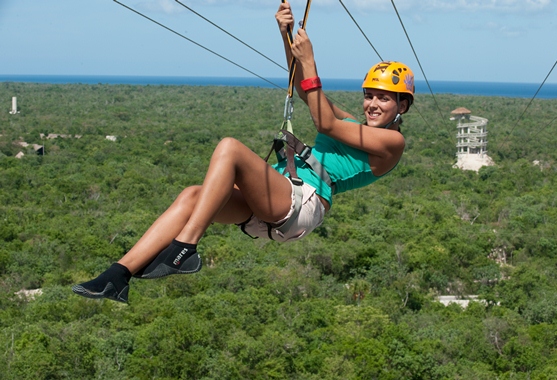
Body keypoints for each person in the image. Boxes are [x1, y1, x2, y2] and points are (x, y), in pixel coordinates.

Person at [72, 2, 414, 303]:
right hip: (281, 195)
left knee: (230, 149)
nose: (372, 104)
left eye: (383, 98)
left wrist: (311, 59)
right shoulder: (355, 123)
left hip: (303, 203)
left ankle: (185, 248)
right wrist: (286, 35)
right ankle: (118, 276)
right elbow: (303, 88)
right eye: (369, 95)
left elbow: (323, 121)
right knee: (194, 195)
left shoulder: (391, 145)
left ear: (403, 106)